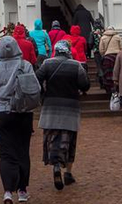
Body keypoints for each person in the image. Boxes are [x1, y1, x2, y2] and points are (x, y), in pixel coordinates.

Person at [0, 36, 37, 204]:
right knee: (23, 151)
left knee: (6, 155)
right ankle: (22, 190)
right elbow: (33, 88)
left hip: (2, 114)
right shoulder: (26, 65)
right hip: (22, 113)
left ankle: (8, 192)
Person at [36, 39, 90, 189]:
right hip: (70, 109)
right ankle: (68, 172)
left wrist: (43, 92)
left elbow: (36, 79)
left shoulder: (47, 64)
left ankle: (56, 166)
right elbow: (85, 85)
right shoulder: (76, 65)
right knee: (69, 140)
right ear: (68, 50)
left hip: (51, 108)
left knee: (52, 138)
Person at [98, 26, 122, 96]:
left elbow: (101, 49)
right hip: (117, 56)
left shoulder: (103, 38)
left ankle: (110, 90)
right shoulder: (118, 37)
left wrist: (105, 54)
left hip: (107, 57)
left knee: (108, 74)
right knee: (118, 73)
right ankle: (118, 89)